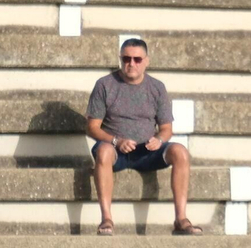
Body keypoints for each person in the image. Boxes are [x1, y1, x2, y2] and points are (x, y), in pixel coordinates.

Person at [85, 37, 200, 237]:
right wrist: (116, 141)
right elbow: (92, 127)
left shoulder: (156, 88)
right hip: (116, 150)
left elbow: (166, 128)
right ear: (120, 59)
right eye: (127, 58)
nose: (131, 64)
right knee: (103, 151)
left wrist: (160, 140)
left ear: (146, 61)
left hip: (147, 151)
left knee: (180, 152)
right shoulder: (105, 85)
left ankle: (181, 218)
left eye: (137, 59)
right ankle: (106, 218)